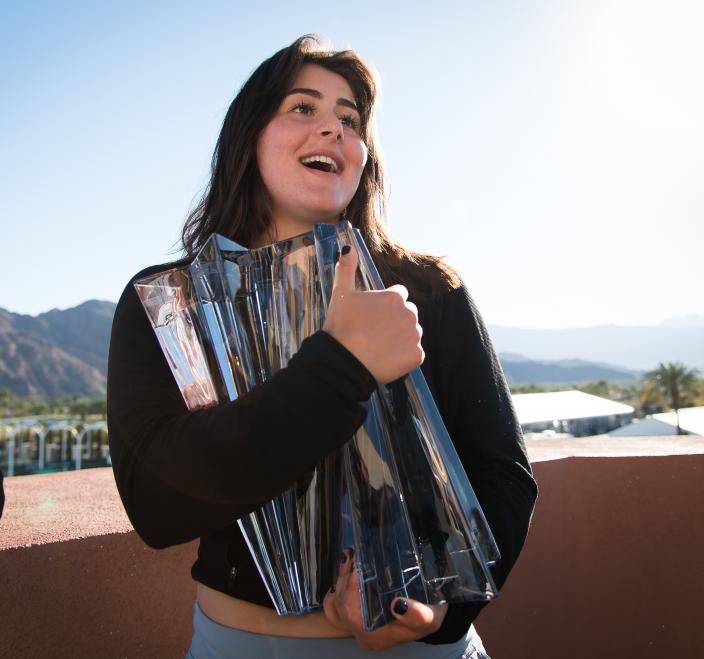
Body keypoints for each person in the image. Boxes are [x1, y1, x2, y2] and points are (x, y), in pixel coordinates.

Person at [107, 35, 537, 658]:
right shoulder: (170, 303)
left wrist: (443, 610)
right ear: (249, 134)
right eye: (303, 108)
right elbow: (156, 505)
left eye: (350, 119)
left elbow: (503, 474)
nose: (333, 129)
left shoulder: (426, 290)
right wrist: (343, 365)